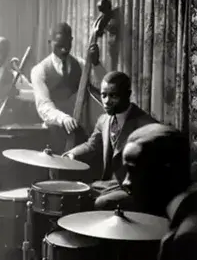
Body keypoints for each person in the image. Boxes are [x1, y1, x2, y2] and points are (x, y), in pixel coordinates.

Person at [99, 124, 197, 260]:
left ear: (166, 172)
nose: (125, 183)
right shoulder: (190, 205)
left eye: (133, 171)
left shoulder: (191, 235)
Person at [63, 71, 157, 212]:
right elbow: (92, 145)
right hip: (109, 184)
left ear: (127, 95)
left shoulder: (146, 124)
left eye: (113, 96)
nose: (106, 101)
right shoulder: (104, 120)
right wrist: (72, 154)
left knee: (101, 203)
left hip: (134, 188)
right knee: (78, 194)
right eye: (104, 95)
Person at [30, 22, 106, 155]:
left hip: (80, 134)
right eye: (59, 46)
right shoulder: (39, 71)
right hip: (53, 134)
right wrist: (63, 118)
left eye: (67, 45)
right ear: (50, 42)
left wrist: (96, 64)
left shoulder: (82, 64)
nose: (64, 50)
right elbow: (44, 105)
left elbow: (105, 85)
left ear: (72, 40)